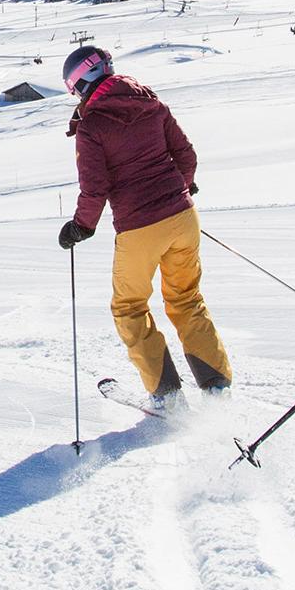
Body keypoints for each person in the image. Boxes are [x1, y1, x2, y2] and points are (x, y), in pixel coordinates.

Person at [57, 45, 231, 401]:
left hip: (139, 228)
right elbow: (185, 153)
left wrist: (81, 226)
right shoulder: (151, 103)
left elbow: (95, 188)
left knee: (130, 307)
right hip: (183, 218)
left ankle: (166, 395)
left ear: (80, 84)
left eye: (73, 90)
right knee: (186, 299)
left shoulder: (92, 126)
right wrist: (183, 185)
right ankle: (216, 386)